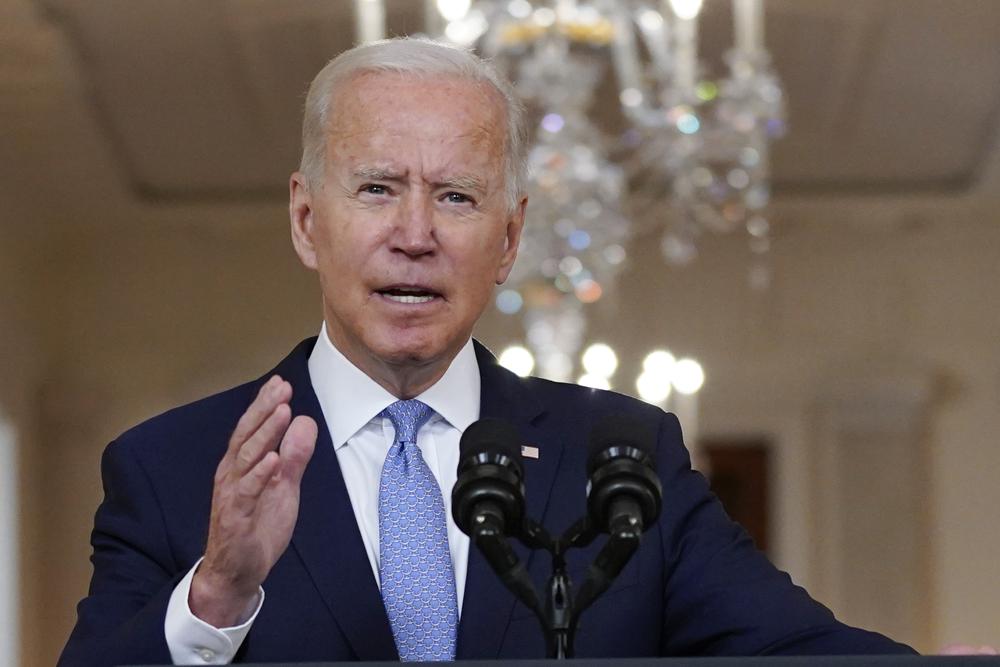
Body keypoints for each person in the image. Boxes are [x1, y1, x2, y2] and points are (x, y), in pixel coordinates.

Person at [60, 37, 917, 666]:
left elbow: (808, 652)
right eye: (377, 188)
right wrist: (216, 594)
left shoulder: (621, 459)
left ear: (508, 240)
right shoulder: (172, 467)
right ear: (306, 219)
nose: (416, 234)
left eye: (458, 197)